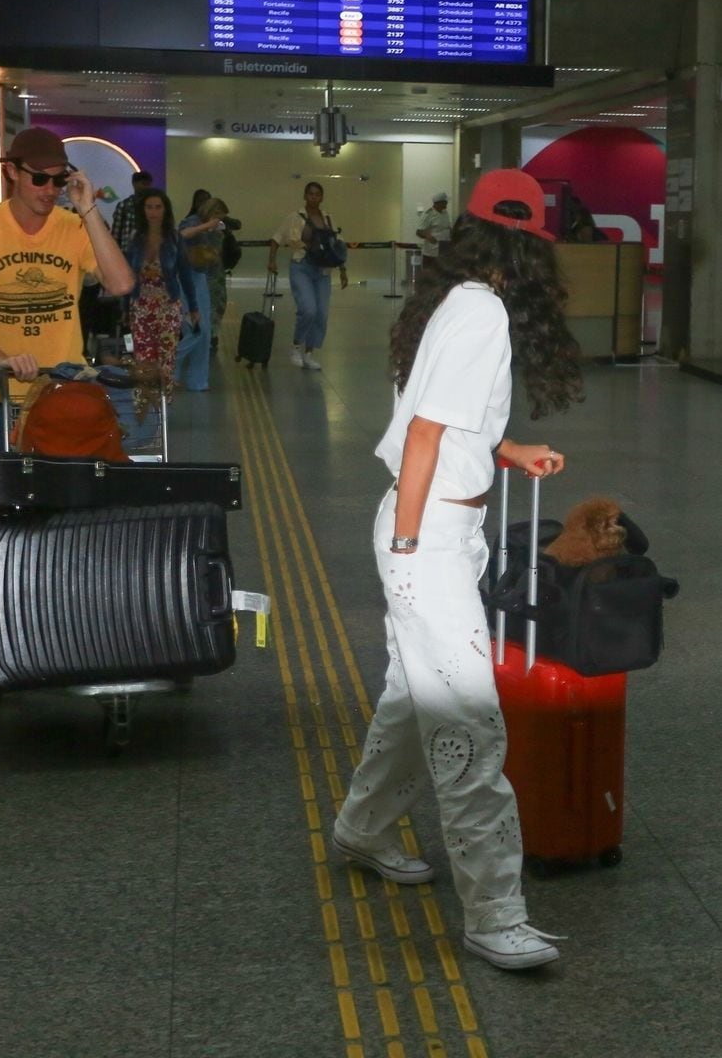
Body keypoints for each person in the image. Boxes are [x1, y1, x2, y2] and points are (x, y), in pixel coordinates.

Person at [332, 169, 584, 972]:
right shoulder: (481, 314)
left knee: (417, 699)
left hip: (445, 529)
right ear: (533, 245)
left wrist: (507, 451)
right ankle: (495, 913)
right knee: (472, 724)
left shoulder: (458, 302)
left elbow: (440, 419)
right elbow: (423, 438)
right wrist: (411, 554)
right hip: (430, 539)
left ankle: (363, 829)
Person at [0, 126, 135, 451]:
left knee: (63, 493)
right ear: (12, 171)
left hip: (63, 389)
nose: (49, 190)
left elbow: (121, 283)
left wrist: (88, 211)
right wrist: (0, 359)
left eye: (59, 180)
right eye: (40, 179)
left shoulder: (73, 227)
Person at [124, 188, 199, 401]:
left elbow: (185, 274)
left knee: (166, 358)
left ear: (165, 210)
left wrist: (193, 307)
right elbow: (127, 275)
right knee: (144, 357)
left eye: (158, 207)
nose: (153, 212)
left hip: (168, 306)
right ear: (143, 210)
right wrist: (123, 308)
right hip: (141, 306)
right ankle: (145, 403)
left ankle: (163, 405)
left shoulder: (174, 239)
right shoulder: (135, 239)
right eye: (149, 207)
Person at [268, 181, 348, 371]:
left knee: (321, 313)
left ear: (322, 197)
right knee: (308, 308)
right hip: (302, 266)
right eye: (310, 194)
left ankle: (309, 353)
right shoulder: (295, 217)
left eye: (317, 194)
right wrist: (272, 260)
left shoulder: (328, 218)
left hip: (323, 270)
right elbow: (276, 238)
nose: (314, 197)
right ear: (305, 196)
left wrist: (343, 270)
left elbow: (337, 244)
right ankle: (296, 345)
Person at [174, 196, 230, 391]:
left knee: (204, 334)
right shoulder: (193, 221)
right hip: (185, 278)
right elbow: (181, 234)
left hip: (201, 276)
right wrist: (206, 226)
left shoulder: (212, 230)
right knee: (197, 328)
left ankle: (198, 380)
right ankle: (171, 365)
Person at [111, 170, 153, 253]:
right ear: (134, 184)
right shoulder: (124, 206)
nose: (147, 188)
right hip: (127, 253)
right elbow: (116, 234)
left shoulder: (153, 207)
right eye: (144, 184)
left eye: (149, 185)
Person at [415, 191, 452, 268]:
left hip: (444, 249)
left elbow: (447, 227)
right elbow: (419, 231)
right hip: (432, 251)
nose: (446, 204)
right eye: (445, 202)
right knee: (430, 272)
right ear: (438, 203)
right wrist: (428, 236)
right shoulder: (429, 214)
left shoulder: (445, 213)